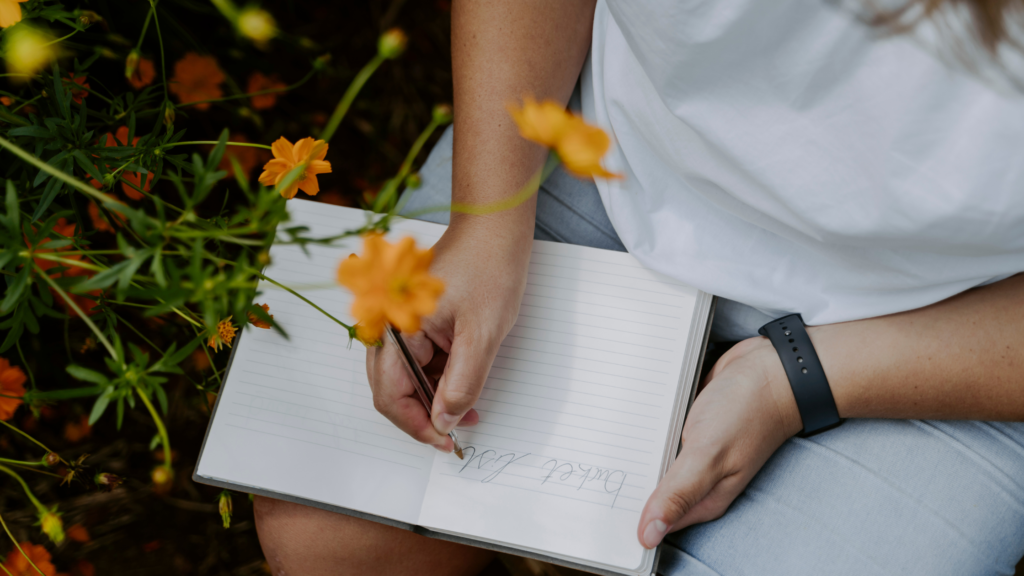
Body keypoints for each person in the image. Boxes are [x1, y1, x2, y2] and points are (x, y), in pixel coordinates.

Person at [253, 1, 1024, 574]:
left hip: (958, 328)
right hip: (611, 159)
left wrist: (797, 377)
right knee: (327, 533)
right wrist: (489, 215)